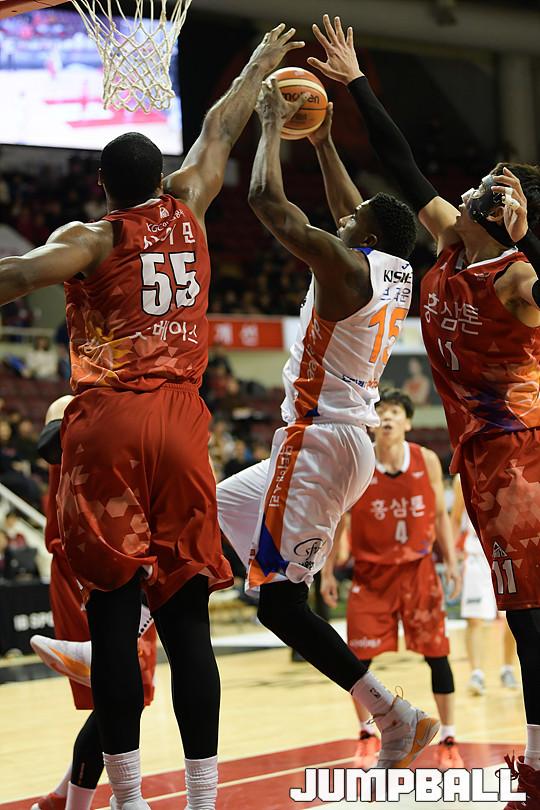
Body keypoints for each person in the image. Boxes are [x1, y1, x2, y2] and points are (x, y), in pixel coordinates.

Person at [0, 24, 305, 810]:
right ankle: (202, 798)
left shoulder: (94, 237)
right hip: (182, 422)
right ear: (160, 175)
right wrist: (258, 67)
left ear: (103, 185)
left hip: (112, 422)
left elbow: (18, 275)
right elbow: (220, 129)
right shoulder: (192, 202)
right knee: (187, 621)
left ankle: (130, 797)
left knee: (112, 617)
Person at [308, 14, 540, 807]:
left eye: (488, 192)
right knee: (523, 612)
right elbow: (400, 160)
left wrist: (529, 238)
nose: (467, 192)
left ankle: (538, 761)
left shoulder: (517, 279)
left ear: (505, 217)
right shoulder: (447, 239)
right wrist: (355, 84)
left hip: (521, 455)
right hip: (481, 455)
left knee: (530, 617)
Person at [217, 79, 441, 770]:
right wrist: (320, 142)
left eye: (351, 223)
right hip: (336, 440)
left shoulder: (348, 266)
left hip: (317, 442)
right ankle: (119, 635)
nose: (340, 221)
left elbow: (266, 202)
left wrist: (267, 125)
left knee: (279, 607)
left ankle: (394, 715)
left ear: (363, 239)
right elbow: (355, 212)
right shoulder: (394, 268)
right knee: (211, 509)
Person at [320, 388, 462, 770]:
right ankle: (366, 733)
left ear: (408, 422)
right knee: (357, 659)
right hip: (372, 575)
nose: (387, 416)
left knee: (438, 654)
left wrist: (451, 562)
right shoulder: (360, 461)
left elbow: (439, 516)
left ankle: (449, 736)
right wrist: (328, 570)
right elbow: (341, 519)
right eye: (381, 410)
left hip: (418, 571)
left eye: (395, 411)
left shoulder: (426, 459)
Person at [30, 396, 157, 810]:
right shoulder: (71, 404)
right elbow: (49, 442)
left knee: (127, 693)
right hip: (82, 561)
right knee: (119, 690)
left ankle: (65, 795)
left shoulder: (146, 403)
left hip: (130, 558)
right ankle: (82, 801)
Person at [451, 474, 518, 697]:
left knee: (512, 617)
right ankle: (476, 673)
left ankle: (508, 668)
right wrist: (451, 556)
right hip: (475, 556)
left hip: (507, 552)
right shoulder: (461, 479)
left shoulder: (509, 472)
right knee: (474, 619)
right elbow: (455, 519)